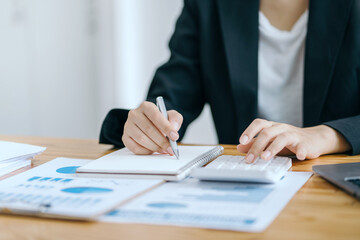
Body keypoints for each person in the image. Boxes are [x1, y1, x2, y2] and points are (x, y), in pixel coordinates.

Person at [100, 0, 360, 163]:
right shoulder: (206, 5)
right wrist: (148, 126)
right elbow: (172, 94)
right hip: (244, 180)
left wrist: (326, 136)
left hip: (333, 185)